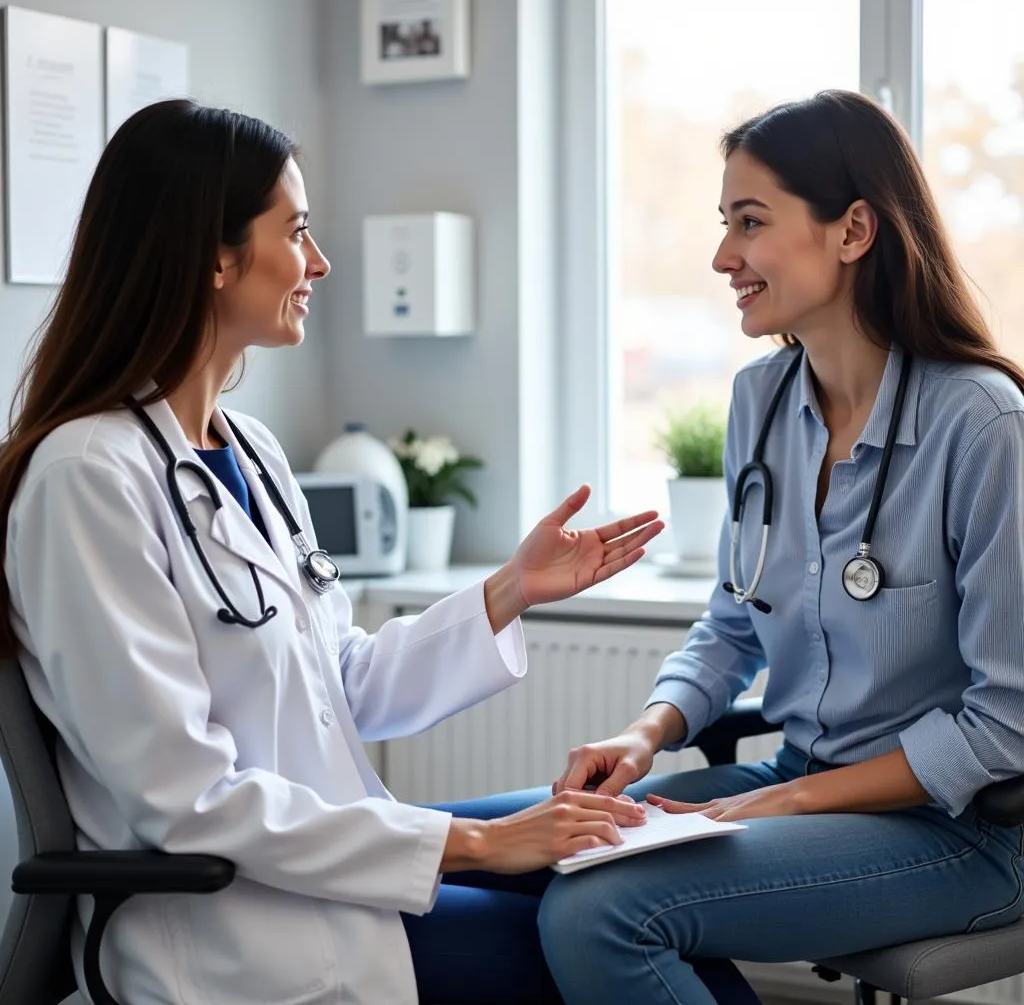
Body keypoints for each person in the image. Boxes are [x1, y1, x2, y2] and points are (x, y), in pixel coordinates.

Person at [0, 100, 671, 1005]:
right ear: (215, 254)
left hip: (325, 870)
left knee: (629, 865)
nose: (318, 263)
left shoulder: (252, 455)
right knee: (618, 936)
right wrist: (474, 843)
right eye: (299, 232)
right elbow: (184, 798)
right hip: (234, 929)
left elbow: (342, 686)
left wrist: (511, 589)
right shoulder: (87, 477)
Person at [458, 89, 1024, 1005]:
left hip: (953, 830)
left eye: (750, 223)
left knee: (598, 910)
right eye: (726, 224)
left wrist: (789, 801)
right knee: (480, 842)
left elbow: (1007, 724)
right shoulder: (761, 403)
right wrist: (642, 736)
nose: (724, 257)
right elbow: (732, 625)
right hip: (789, 777)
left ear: (853, 231)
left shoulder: (983, 425)